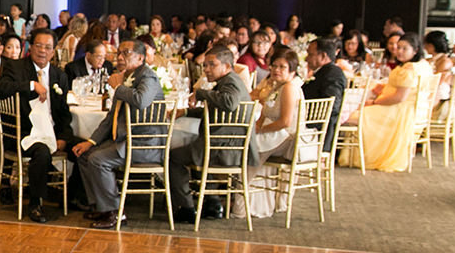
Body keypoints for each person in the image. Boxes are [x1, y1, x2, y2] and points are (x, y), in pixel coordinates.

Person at [72, 40, 164, 227]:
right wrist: (90, 141)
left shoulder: (147, 77)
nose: (120, 57)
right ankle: (100, 206)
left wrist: (118, 88)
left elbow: (141, 100)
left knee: (98, 160)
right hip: (126, 139)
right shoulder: (125, 77)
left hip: (144, 143)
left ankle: (115, 212)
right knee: (84, 155)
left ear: (140, 57)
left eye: (126, 53)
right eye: (119, 53)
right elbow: (111, 119)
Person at [0, 28, 79, 222]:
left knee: (86, 148)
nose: (42, 51)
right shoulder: (15, 67)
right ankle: (36, 203)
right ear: (30, 47)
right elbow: (2, 89)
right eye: (39, 46)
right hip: (25, 133)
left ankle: (74, 196)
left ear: (53, 51)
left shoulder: (60, 75)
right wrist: (32, 85)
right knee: (41, 152)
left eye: (47, 47)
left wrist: (63, 138)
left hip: (52, 131)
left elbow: (64, 114)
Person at [167, 44, 254, 219]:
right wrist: (186, 112)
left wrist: (200, 94)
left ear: (227, 66)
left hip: (223, 149)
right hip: (228, 146)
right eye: (205, 65)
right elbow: (216, 111)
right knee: (194, 146)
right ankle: (211, 203)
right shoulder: (228, 82)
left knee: (173, 156)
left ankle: (186, 208)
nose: (206, 69)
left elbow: (229, 103)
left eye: (212, 64)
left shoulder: (231, 83)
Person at [345, 32, 433, 172]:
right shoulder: (423, 65)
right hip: (412, 110)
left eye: (405, 49)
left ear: (415, 50)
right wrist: (385, 88)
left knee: (355, 115)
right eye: (399, 48)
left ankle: (360, 156)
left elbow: (399, 97)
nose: (399, 51)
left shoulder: (410, 70)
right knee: (359, 111)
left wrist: (375, 102)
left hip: (399, 111)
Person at [236, 51, 303, 219]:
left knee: (251, 149)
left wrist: (261, 130)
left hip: (288, 138)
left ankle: (240, 202)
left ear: (292, 71)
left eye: (282, 67)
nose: (277, 70)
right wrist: (257, 126)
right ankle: (242, 198)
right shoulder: (275, 86)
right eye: (274, 66)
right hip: (278, 134)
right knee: (250, 142)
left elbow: (285, 122)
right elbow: (266, 112)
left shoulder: (288, 88)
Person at [301, 36, 347, 151]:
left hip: (317, 132)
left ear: (323, 56)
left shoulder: (332, 74)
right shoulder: (323, 72)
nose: (306, 59)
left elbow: (331, 106)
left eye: (310, 54)